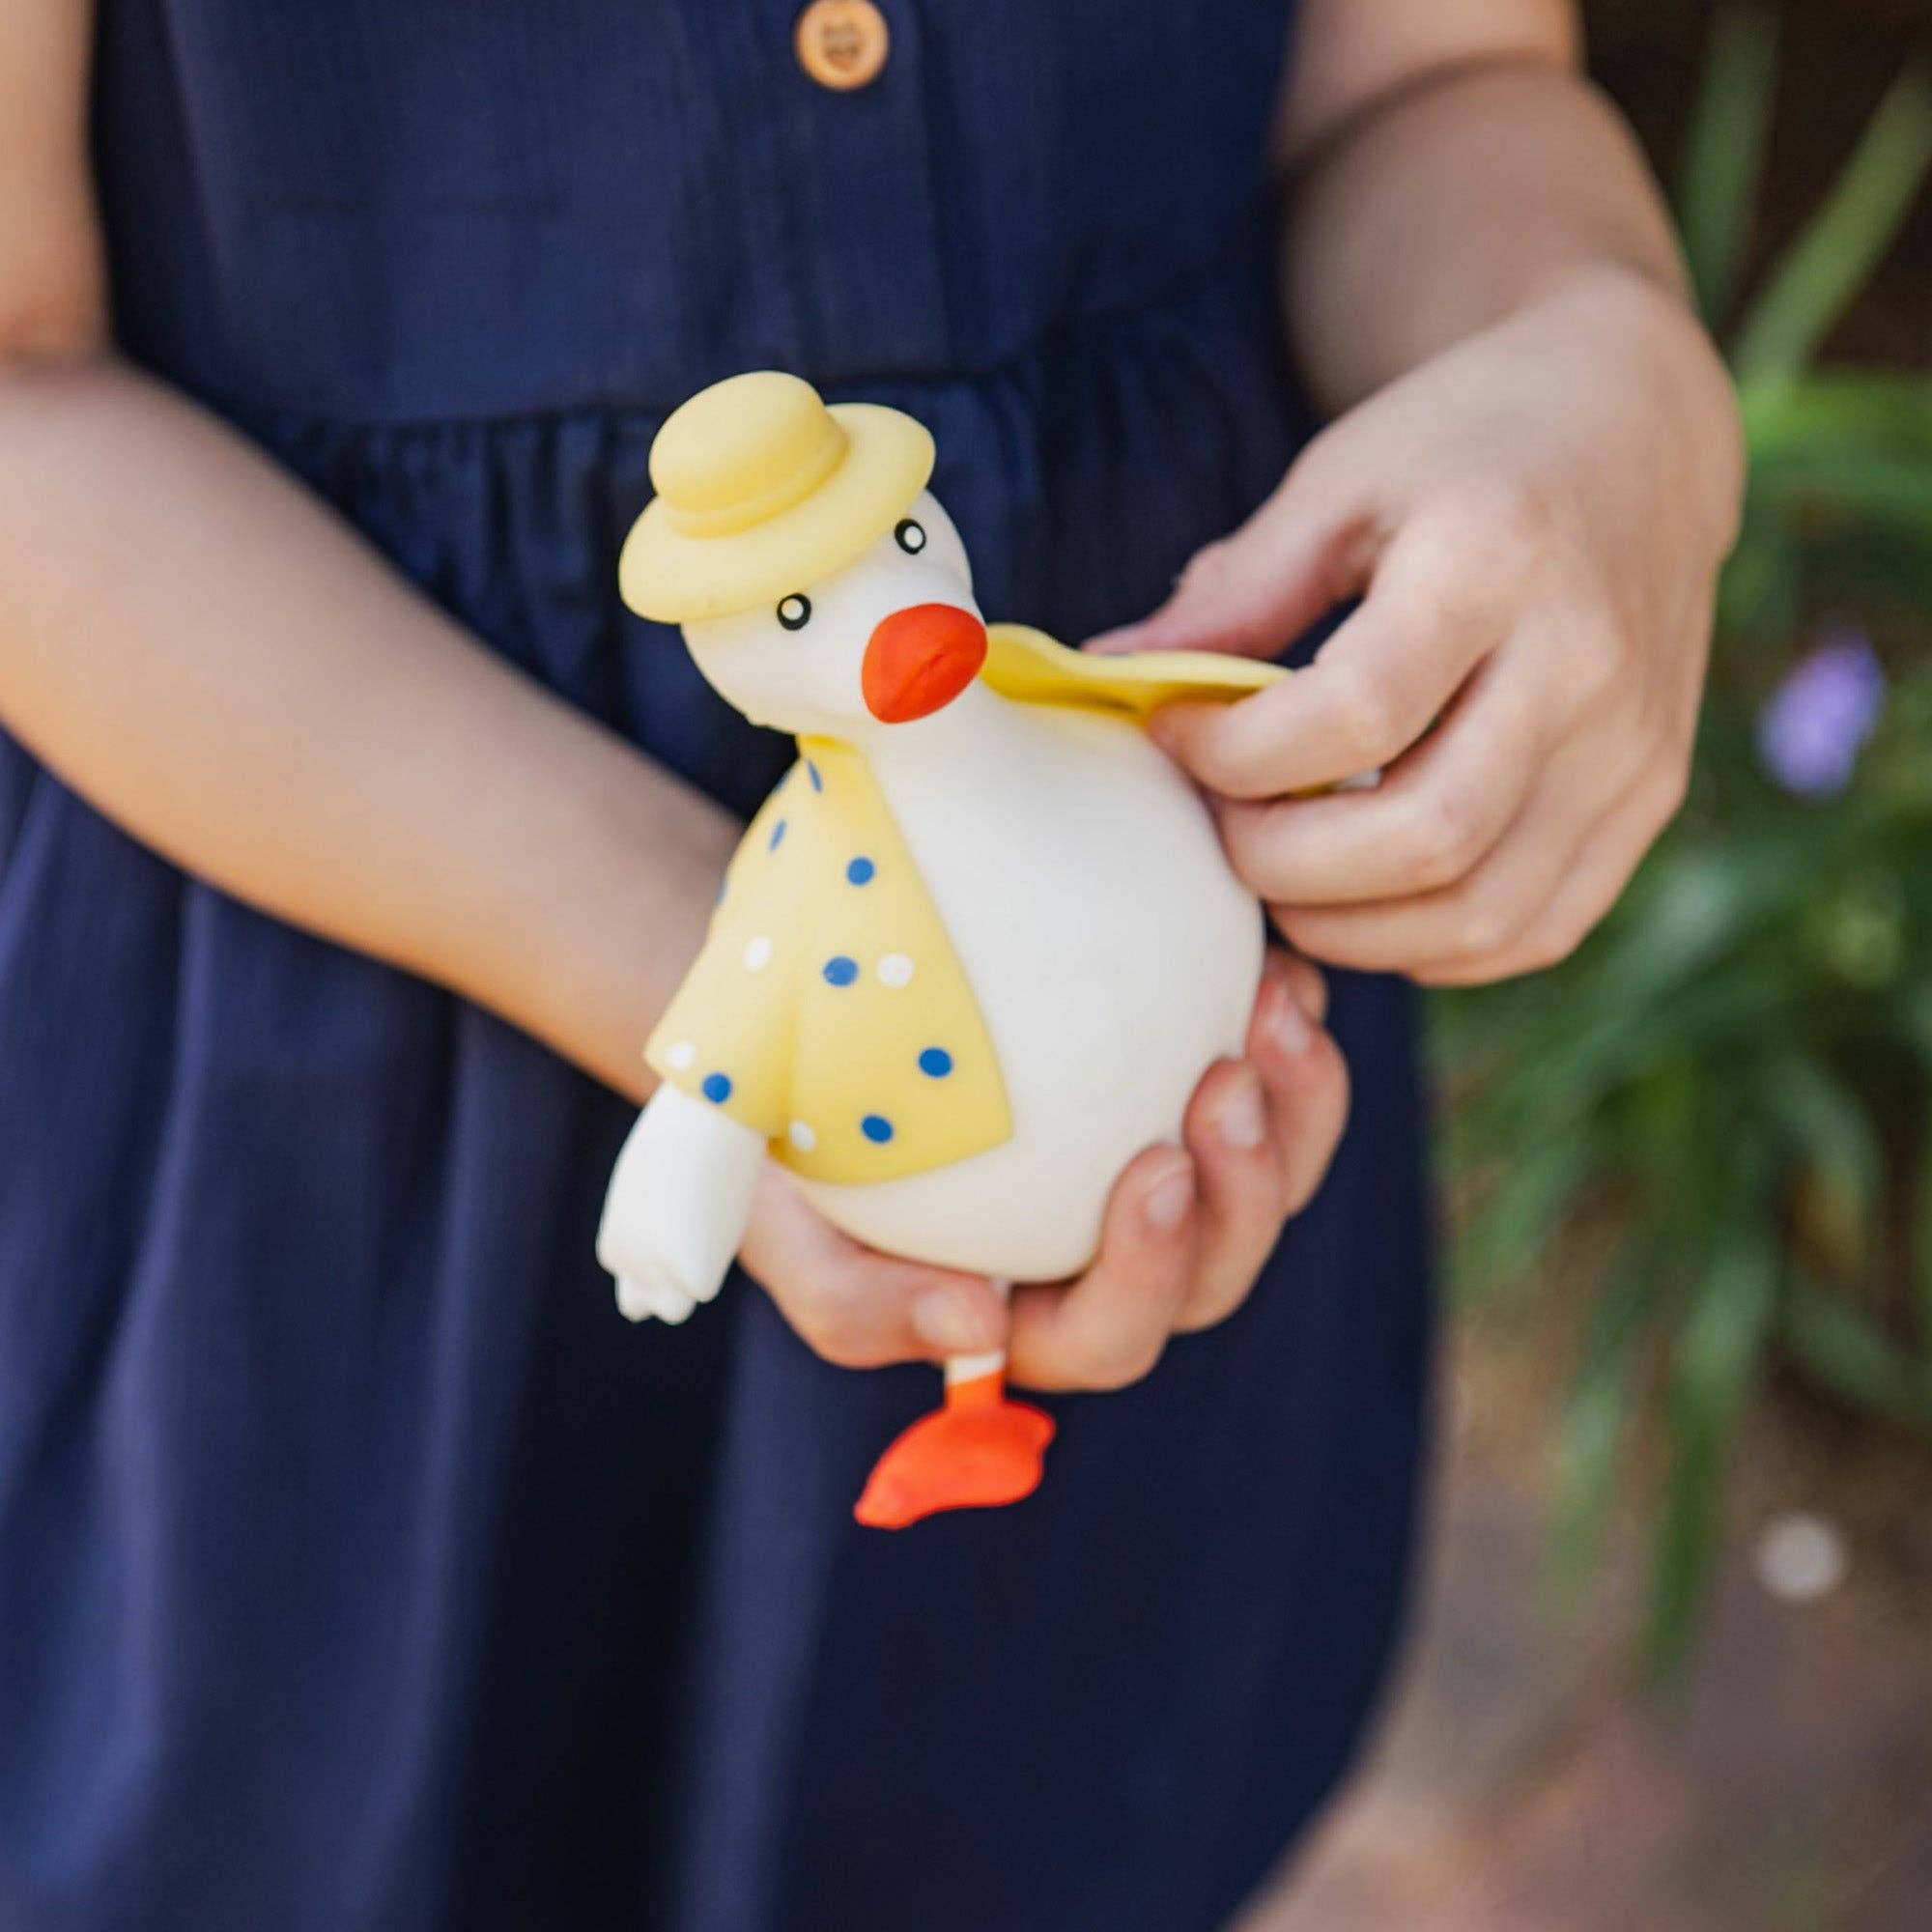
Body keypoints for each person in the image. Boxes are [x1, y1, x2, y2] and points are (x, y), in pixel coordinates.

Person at [0, 1, 1741, 1927]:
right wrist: (735, 992)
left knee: (1064, 1801)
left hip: (1159, 1109)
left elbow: (1431, 80)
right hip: (314, 1095)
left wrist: (1591, 352)